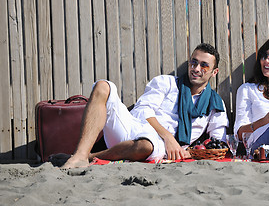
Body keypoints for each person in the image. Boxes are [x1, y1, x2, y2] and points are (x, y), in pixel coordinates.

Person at [61, 43, 229, 169]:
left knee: (146, 145)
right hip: (132, 127)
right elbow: (141, 111)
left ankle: (90, 156)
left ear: (214, 72)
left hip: (155, 146)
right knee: (103, 86)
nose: (196, 68)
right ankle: (79, 155)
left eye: (204, 65)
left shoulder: (215, 103)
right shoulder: (167, 82)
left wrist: (190, 151)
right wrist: (168, 137)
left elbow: (217, 142)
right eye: (194, 62)